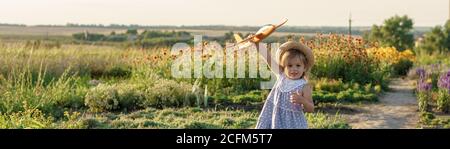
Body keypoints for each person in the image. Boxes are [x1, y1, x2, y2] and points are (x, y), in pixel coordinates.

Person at [255, 41, 315, 129]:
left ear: (304, 67)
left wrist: (302, 100)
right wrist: (257, 44)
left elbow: (311, 109)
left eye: (298, 65)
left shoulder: (304, 86)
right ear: (284, 67)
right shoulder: (281, 76)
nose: (294, 69)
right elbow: (268, 58)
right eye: (289, 66)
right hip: (274, 118)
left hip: (293, 124)